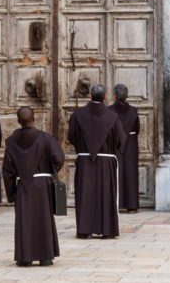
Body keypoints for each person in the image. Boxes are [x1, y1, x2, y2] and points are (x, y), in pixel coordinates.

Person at [2, 106, 65, 267]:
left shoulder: (10, 142)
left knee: (25, 221)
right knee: (43, 219)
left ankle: (25, 258)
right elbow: (58, 158)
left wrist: (12, 194)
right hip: (42, 184)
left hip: (23, 186)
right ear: (34, 119)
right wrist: (48, 172)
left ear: (18, 121)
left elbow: (8, 172)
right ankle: (46, 257)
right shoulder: (46, 138)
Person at [68, 83, 126, 239]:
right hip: (106, 163)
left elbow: (70, 137)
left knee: (85, 195)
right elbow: (121, 140)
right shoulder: (113, 117)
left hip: (85, 161)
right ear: (106, 97)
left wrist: (83, 147)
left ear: (90, 96)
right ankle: (106, 231)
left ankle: (84, 230)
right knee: (106, 194)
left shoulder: (78, 115)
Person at [108, 84, 140, 214]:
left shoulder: (108, 110)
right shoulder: (133, 111)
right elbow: (137, 129)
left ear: (114, 96)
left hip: (114, 144)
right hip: (130, 144)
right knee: (130, 172)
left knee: (114, 172)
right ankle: (131, 206)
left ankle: (114, 204)